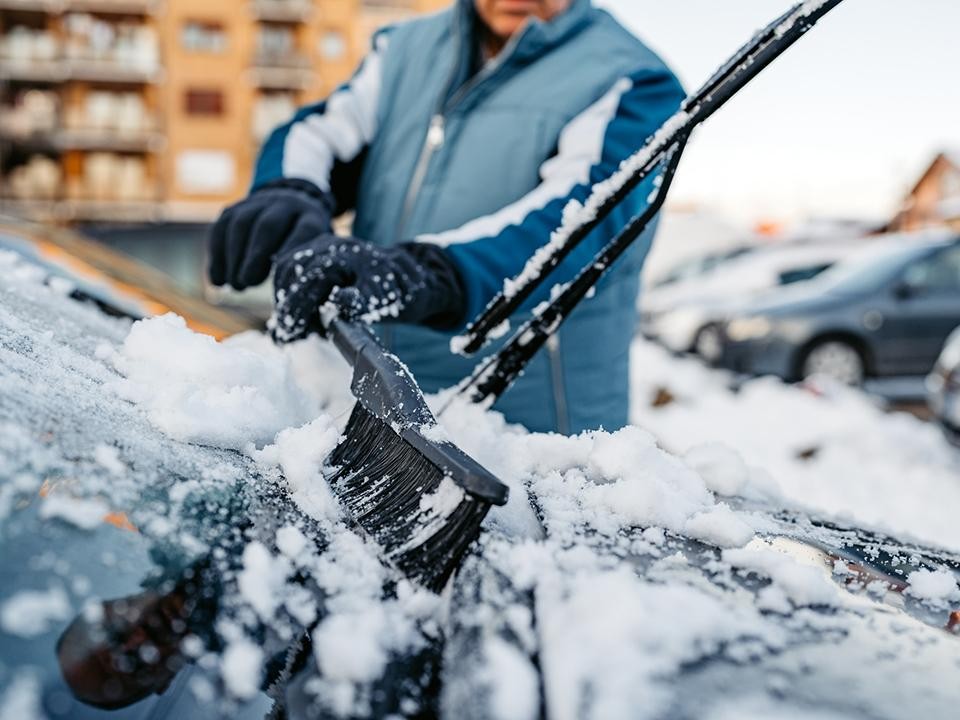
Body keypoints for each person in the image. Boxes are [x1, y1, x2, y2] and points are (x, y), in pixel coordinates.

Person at [208, 0, 684, 435]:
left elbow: (579, 220)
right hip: (382, 418)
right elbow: (323, 132)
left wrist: (424, 272)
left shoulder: (632, 79)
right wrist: (291, 190)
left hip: (536, 440)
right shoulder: (403, 50)